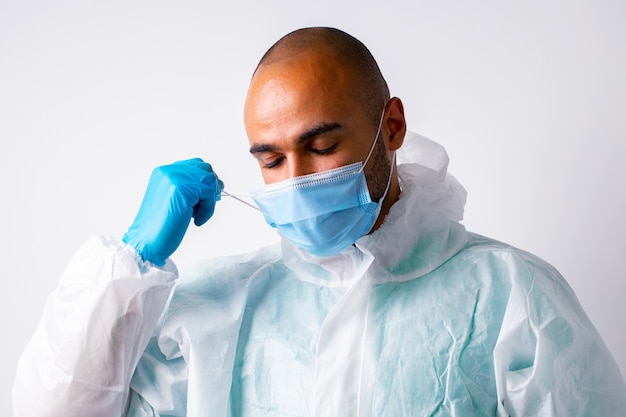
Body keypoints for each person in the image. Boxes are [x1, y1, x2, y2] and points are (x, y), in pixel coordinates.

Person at [13, 27, 625, 417]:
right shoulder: (217, 310)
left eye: (322, 146)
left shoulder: (511, 299)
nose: (298, 179)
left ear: (390, 127)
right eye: (272, 159)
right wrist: (129, 265)